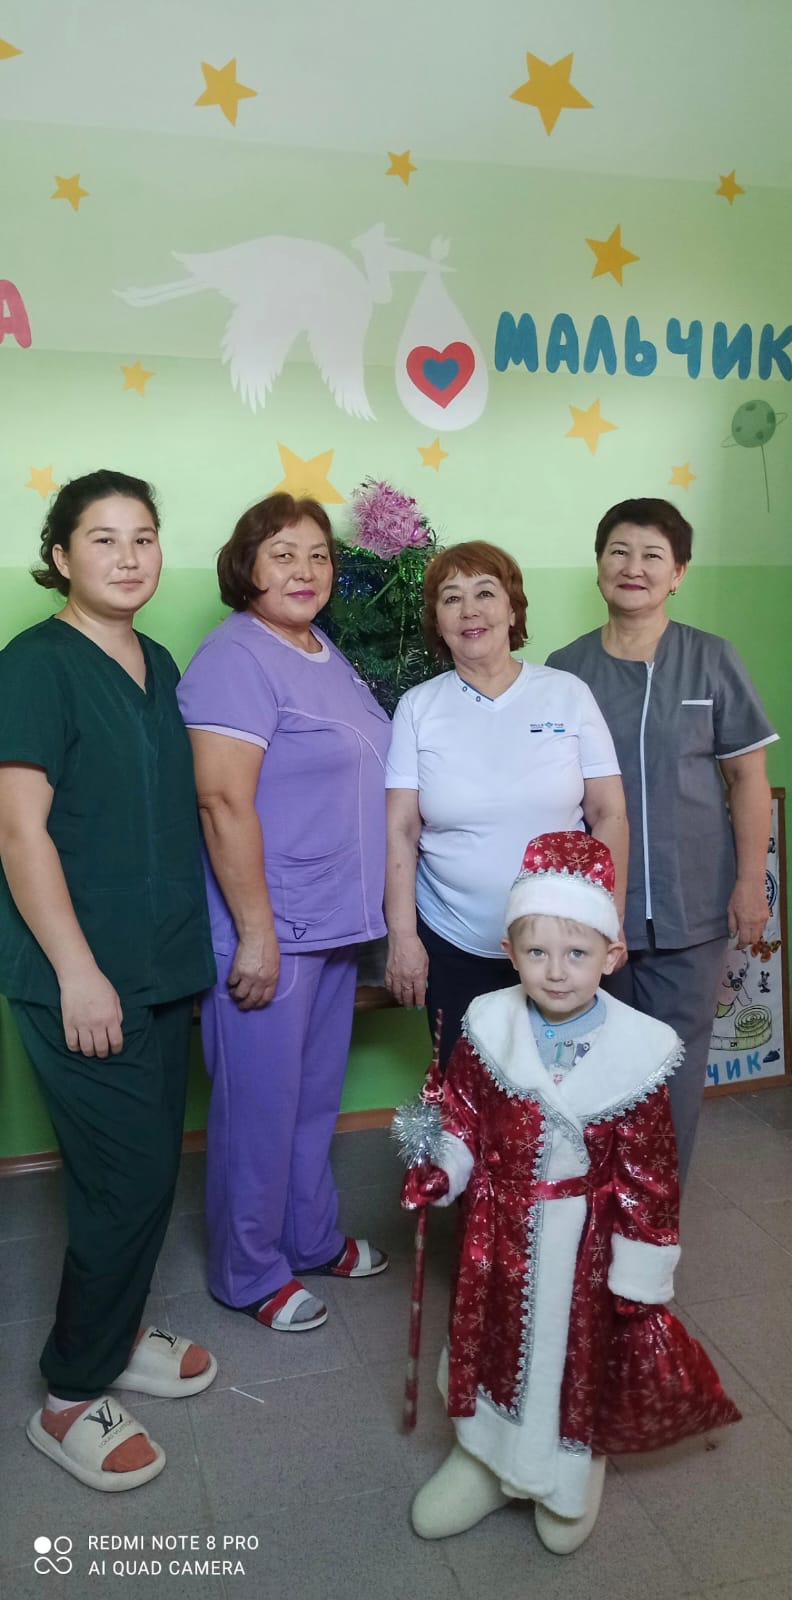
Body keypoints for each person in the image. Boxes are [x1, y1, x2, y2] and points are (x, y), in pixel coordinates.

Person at [399, 832, 739, 1553]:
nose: (556, 972)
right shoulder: (488, 1025)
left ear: (611, 956)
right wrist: (444, 1167)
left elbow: (649, 1175)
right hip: (498, 1234)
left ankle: (568, 1469)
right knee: (492, 1343)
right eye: (537, 953)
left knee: (572, 1353)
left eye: (577, 953)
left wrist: (639, 1274)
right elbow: (461, 1114)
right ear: (510, 951)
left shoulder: (638, 1053)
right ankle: (483, 1458)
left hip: (584, 1246)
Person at [0, 470, 218, 1492]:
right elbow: (19, 831)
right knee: (122, 1183)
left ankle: (118, 1332)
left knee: (146, 1171)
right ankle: (68, 1396)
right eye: (102, 538)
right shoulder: (34, 665)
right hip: (83, 973)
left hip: (162, 960)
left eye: (143, 537)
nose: (129, 557)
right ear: (59, 556)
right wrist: (78, 971)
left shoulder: (155, 659)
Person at [176, 492, 391, 1334]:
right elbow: (222, 801)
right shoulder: (236, 655)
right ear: (247, 567)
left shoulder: (321, 650)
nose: (305, 570)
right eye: (282, 554)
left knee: (309, 1102)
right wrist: (256, 934)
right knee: (258, 1112)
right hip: (270, 928)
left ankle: (309, 1235)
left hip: (331, 924)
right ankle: (248, 1270)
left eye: (318, 555)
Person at [547, 499, 777, 1182]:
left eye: (653, 556)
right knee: (594, 1065)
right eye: (619, 551)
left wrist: (749, 883)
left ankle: (654, 1212)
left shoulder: (712, 659)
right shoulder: (565, 669)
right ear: (598, 565)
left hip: (692, 904)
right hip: (593, 909)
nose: (634, 567)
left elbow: (749, 778)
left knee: (673, 1068)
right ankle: (594, 1203)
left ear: (678, 573)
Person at [385, 541, 628, 1063]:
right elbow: (401, 829)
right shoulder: (418, 708)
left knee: (562, 1089)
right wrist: (403, 936)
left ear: (512, 610)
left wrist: (609, 917)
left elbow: (608, 813)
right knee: (466, 1092)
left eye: (485, 593)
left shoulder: (567, 693)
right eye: (452, 598)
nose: (469, 610)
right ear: (438, 622)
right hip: (453, 941)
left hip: (564, 943)